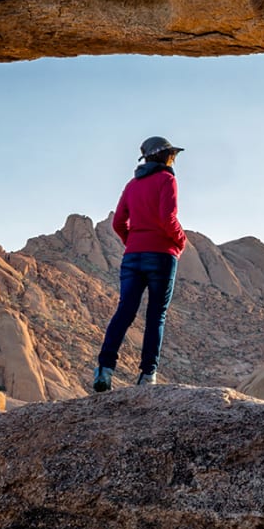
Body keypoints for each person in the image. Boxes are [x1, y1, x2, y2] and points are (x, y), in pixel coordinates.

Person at [93, 135, 189, 391]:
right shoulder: (167, 179)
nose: (174, 159)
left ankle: (104, 370)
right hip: (161, 255)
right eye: (171, 155)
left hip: (133, 256)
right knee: (156, 316)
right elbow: (167, 217)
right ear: (164, 156)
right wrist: (180, 241)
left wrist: (132, 242)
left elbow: (118, 222)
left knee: (124, 312)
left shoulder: (131, 185)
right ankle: (147, 376)